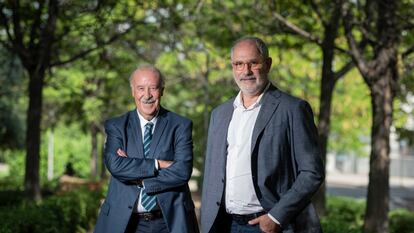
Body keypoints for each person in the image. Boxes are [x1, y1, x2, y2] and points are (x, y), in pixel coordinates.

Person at [201, 37, 325, 233]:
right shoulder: (220, 114)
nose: (246, 71)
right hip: (224, 224)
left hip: (269, 225)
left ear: (267, 64)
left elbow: (312, 172)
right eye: (239, 64)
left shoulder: (292, 109)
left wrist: (276, 216)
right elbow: (212, 174)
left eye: (253, 63)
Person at [94, 65, 199, 233]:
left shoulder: (180, 125)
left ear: (162, 90)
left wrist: (141, 179)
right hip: (126, 223)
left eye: (153, 88)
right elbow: (115, 165)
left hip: (169, 222)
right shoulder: (117, 126)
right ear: (133, 92)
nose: (147, 95)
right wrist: (158, 164)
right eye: (141, 88)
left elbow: (182, 171)